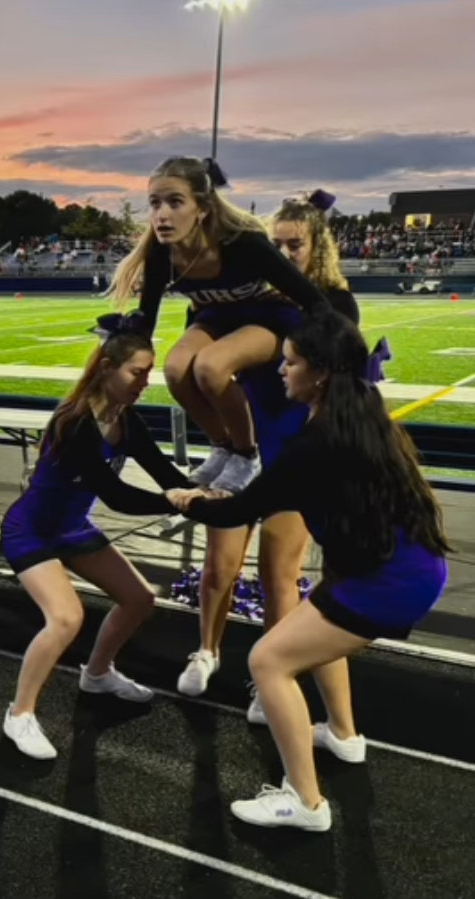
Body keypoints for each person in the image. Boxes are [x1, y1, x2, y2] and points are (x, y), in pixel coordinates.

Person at [169, 312, 449, 831]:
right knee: (314, 632)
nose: (281, 371)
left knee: (268, 661)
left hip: (388, 581)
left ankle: (305, 802)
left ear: (318, 373)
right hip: (405, 567)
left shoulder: (314, 444)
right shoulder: (358, 414)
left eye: (290, 363)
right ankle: (343, 736)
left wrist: (190, 501)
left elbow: (239, 510)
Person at [178, 190, 364, 718]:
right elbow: (203, 368)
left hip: (295, 456)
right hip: (247, 451)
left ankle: (271, 675)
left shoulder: (334, 305)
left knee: (279, 576)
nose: (284, 256)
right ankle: (207, 650)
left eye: (295, 246)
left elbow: (341, 379)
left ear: (317, 247)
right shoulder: (242, 301)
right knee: (220, 568)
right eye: (275, 246)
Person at [1, 312, 192, 760]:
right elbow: (118, 495)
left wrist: (200, 494)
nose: (145, 381)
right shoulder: (75, 421)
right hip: (31, 530)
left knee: (140, 598)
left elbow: (166, 474)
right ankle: (20, 713)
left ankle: (98, 672)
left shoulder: (128, 420)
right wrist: (178, 502)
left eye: (149, 373)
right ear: (107, 368)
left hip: (70, 528)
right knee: (66, 618)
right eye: (137, 372)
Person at [111, 157, 330, 494]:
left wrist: (320, 350)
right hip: (215, 318)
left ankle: (247, 454)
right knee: (175, 368)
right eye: (155, 203)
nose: (162, 214)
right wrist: (122, 349)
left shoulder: (243, 243)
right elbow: (148, 317)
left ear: (201, 208)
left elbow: (314, 300)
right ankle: (223, 446)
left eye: (175, 202)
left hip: (267, 317)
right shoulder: (161, 253)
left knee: (210, 367)